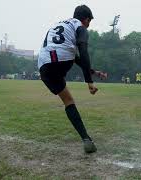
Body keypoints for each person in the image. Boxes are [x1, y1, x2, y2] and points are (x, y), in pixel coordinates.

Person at [37, 5, 107, 153]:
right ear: (86, 19)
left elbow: (73, 56)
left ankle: (86, 139)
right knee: (69, 100)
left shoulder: (58, 25)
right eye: (89, 22)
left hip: (43, 65)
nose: (88, 26)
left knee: (68, 100)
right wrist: (90, 82)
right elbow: (83, 52)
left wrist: (93, 72)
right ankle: (86, 139)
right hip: (62, 60)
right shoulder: (80, 26)